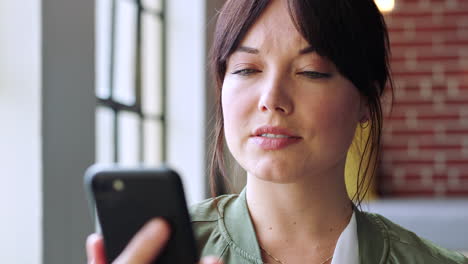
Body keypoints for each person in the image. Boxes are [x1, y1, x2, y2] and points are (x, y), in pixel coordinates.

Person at [87, 0, 468, 263]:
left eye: (311, 71)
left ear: (367, 100)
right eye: (247, 70)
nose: (272, 99)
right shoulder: (160, 252)